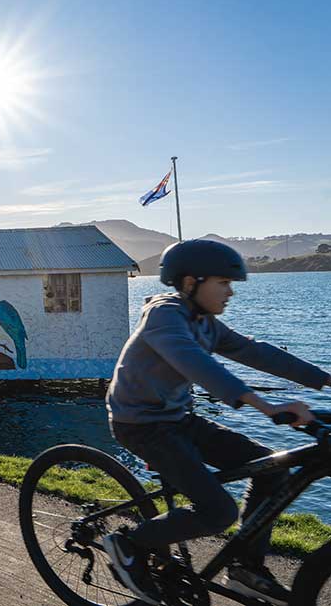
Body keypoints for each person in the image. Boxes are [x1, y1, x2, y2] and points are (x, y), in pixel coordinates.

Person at [103, 239, 331, 606]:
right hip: (141, 425)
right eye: (223, 283)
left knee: (272, 469)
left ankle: (246, 568)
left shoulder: (205, 322)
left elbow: (256, 351)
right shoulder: (163, 314)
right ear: (192, 282)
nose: (230, 293)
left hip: (179, 419)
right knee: (219, 512)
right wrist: (264, 405)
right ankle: (128, 544)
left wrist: (325, 379)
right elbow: (197, 364)